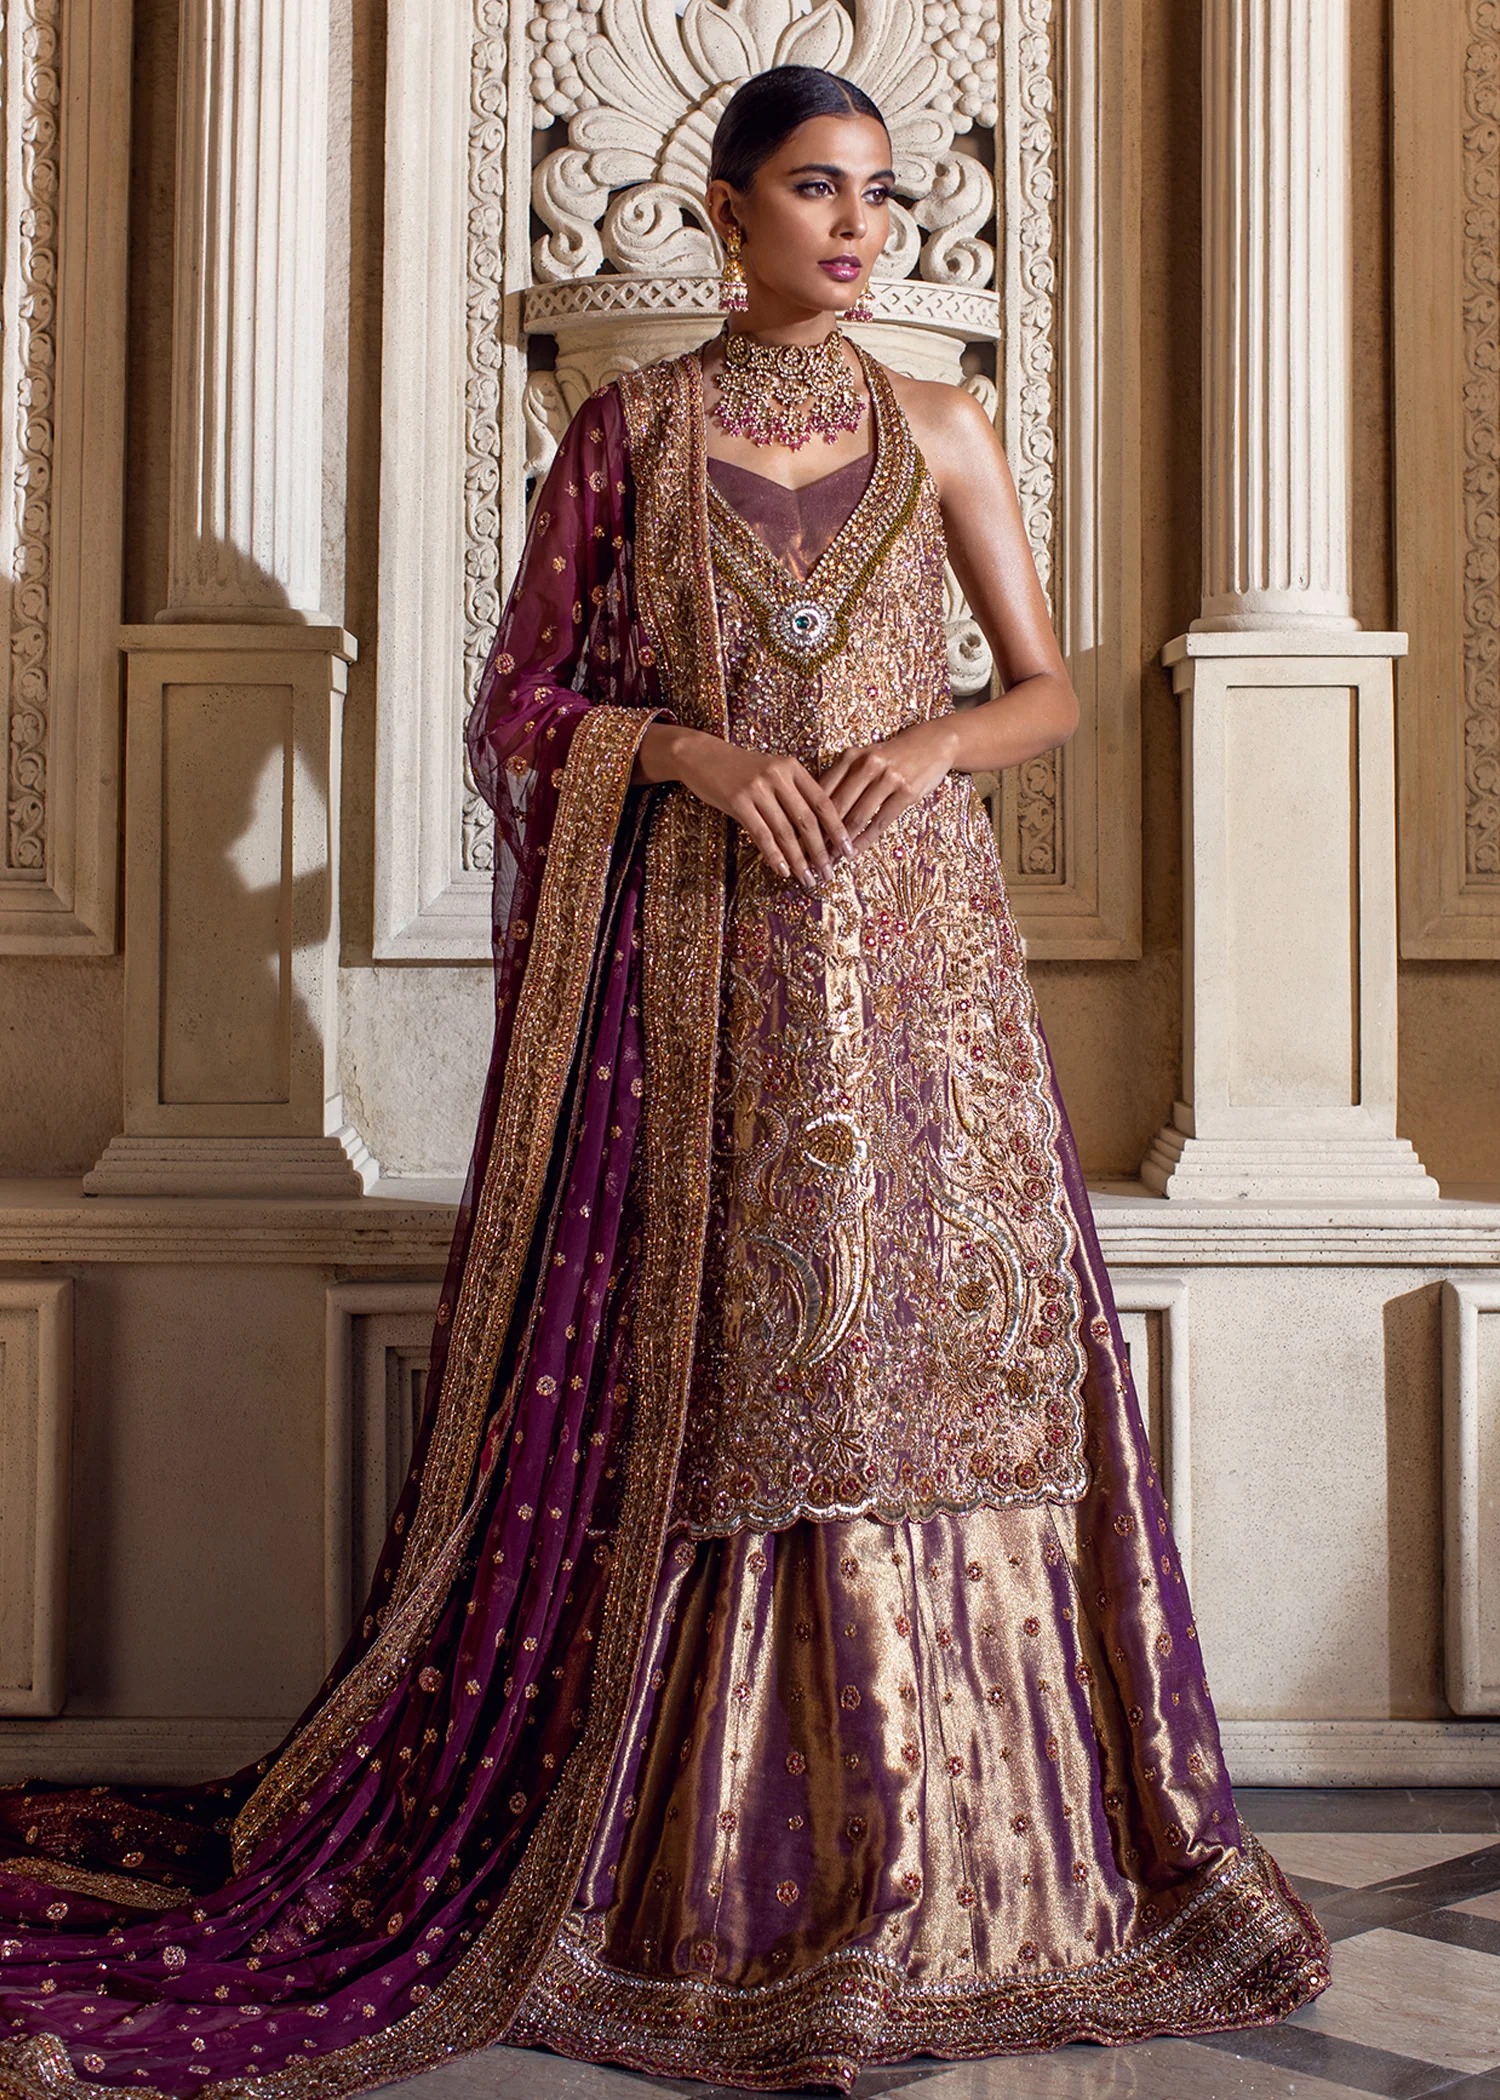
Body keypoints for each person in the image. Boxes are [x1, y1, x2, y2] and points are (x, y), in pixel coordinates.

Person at [0, 63, 1327, 2100]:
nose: (860, 228)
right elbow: (519, 703)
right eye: (817, 189)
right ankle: (701, 1868)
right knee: (729, 1378)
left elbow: (1046, 691)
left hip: (921, 982)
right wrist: (690, 753)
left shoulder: (943, 424)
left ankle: (967, 1857)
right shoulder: (628, 437)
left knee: (928, 1363)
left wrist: (929, 745)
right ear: (726, 209)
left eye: (878, 194)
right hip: (705, 977)